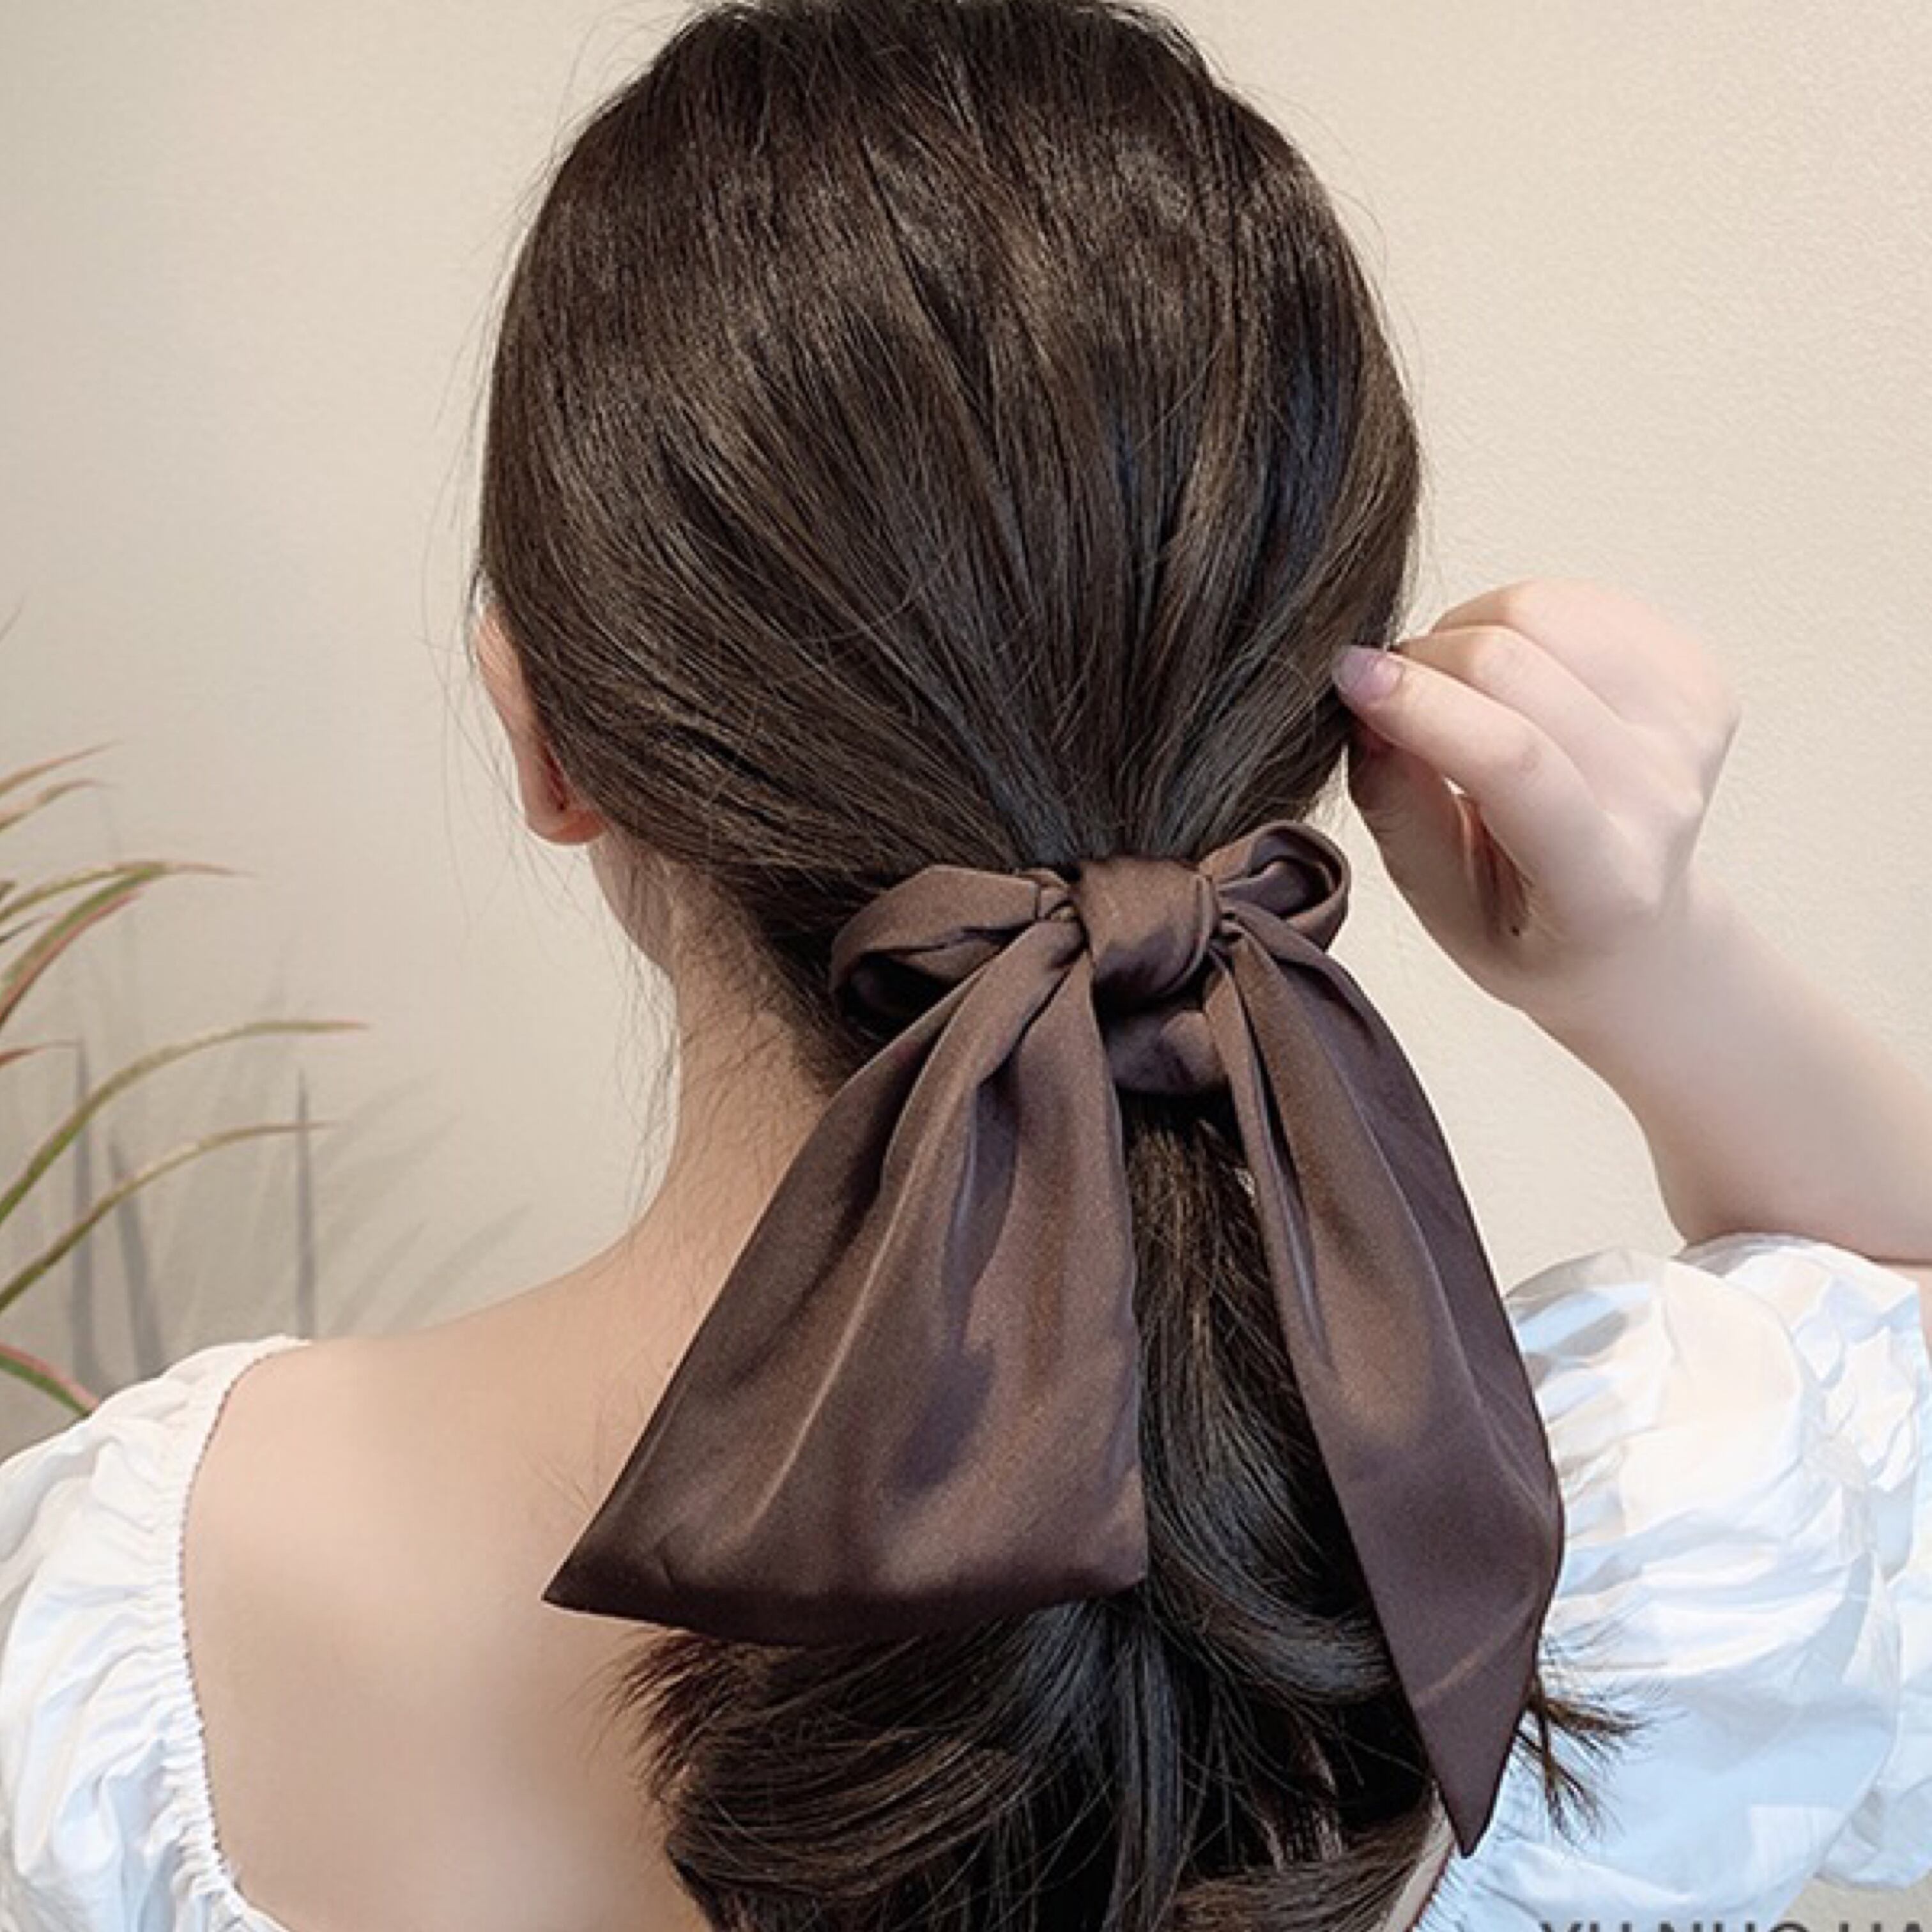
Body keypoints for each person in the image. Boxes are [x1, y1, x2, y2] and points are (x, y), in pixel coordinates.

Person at [2, 0, 1929, 1928]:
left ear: (549, 733)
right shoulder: (1610, 1543)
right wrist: (1647, 960)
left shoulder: (135, 1617)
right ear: (1320, 728)